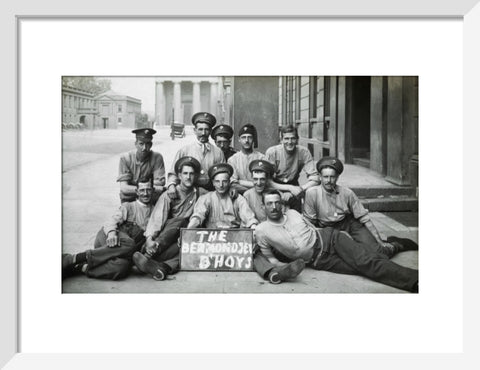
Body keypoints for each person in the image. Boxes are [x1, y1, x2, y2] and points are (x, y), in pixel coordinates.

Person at [255, 190, 419, 292]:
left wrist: (339, 235)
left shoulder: (293, 214)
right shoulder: (261, 230)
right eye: (269, 203)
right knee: (363, 267)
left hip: (330, 239)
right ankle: (394, 245)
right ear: (263, 207)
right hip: (320, 261)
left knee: (366, 262)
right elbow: (271, 259)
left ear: (282, 204)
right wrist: (283, 267)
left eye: (277, 202)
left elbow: (313, 228)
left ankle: (415, 280)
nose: (274, 207)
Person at [62, 177, 155, 280]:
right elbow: (112, 221)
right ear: (137, 192)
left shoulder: (156, 211)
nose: (145, 193)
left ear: (153, 190)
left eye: (148, 190)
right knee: (130, 243)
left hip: (120, 251)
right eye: (142, 190)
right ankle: (76, 258)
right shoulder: (128, 206)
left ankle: (80, 267)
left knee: (121, 267)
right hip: (108, 238)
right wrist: (111, 233)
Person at [132, 156, 207, 281]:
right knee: (180, 221)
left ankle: (161, 268)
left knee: (189, 250)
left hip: (182, 239)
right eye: (185, 173)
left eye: (192, 174)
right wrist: (150, 239)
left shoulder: (201, 192)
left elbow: (217, 193)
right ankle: (149, 252)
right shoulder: (170, 194)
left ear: (196, 175)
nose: (188, 177)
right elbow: (157, 218)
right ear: (179, 175)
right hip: (166, 238)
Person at [243, 159, 306, 284]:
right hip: (259, 239)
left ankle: (282, 266)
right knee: (255, 254)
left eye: (262, 179)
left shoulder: (276, 195)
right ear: (251, 179)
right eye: (255, 179)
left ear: (267, 179)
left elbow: (286, 218)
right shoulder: (247, 195)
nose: (259, 183)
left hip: (277, 238)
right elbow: (246, 219)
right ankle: (275, 272)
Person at [303, 156, 387, 249]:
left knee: (377, 249)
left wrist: (379, 241)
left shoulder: (347, 193)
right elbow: (309, 222)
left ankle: (394, 246)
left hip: (348, 224)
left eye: (332, 177)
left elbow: (364, 218)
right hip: (326, 229)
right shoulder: (312, 193)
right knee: (348, 253)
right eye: (325, 177)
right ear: (320, 177)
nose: (329, 181)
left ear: (337, 177)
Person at [166, 112, 225, 195]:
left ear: (210, 131)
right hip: (189, 192)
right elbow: (173, 173)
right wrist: (171, 186)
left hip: (211, 192)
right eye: (200, 129)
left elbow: (223, 174)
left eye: (206, 129)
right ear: (195, 130)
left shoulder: (218, 152)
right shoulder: (185, 150)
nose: (203, 133)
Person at [186, 163, 258, 229]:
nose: (221, 185)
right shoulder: (206, 198)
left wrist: (253, 226)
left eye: (224, 181)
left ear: (229, 182)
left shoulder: (238, 198)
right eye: (217, 181)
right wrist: (191, 227)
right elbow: (198, 215)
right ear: (213, 183)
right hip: (211, 237)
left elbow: (248, 217)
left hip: (234, 237)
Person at [265, 125, 319, 210]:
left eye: (293, 138)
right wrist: (289, 189)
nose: (289, 142)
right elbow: (267, 181)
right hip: (276, 185)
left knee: (297, 213)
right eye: (286, 139)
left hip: (294, 184)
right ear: (281, 140)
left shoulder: (304, 152)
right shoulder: (272, 152)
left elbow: (315, 179)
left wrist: (299, 189)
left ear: (297, 139)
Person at [117, 128, 166, 204]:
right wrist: (149, 187)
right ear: (136, 144)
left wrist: (135, 186)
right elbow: (124, 188)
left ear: (151, 145)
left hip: (149, 199)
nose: (144, 148)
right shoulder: (126, 158)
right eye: (141, 144)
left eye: (147, 144)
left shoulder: (157, 157)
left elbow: (160, 182)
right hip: (130, 199)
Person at [228, 123, 266, 195]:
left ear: (253, 139)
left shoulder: (261, 158)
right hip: (239, 195)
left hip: (259, 195)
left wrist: (240, 182)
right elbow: (233, 184)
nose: (246, 140)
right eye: (243, 137)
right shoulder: (233, 160)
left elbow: (263, 182)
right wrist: (252, 190)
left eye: (249, 137)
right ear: (239, 139)